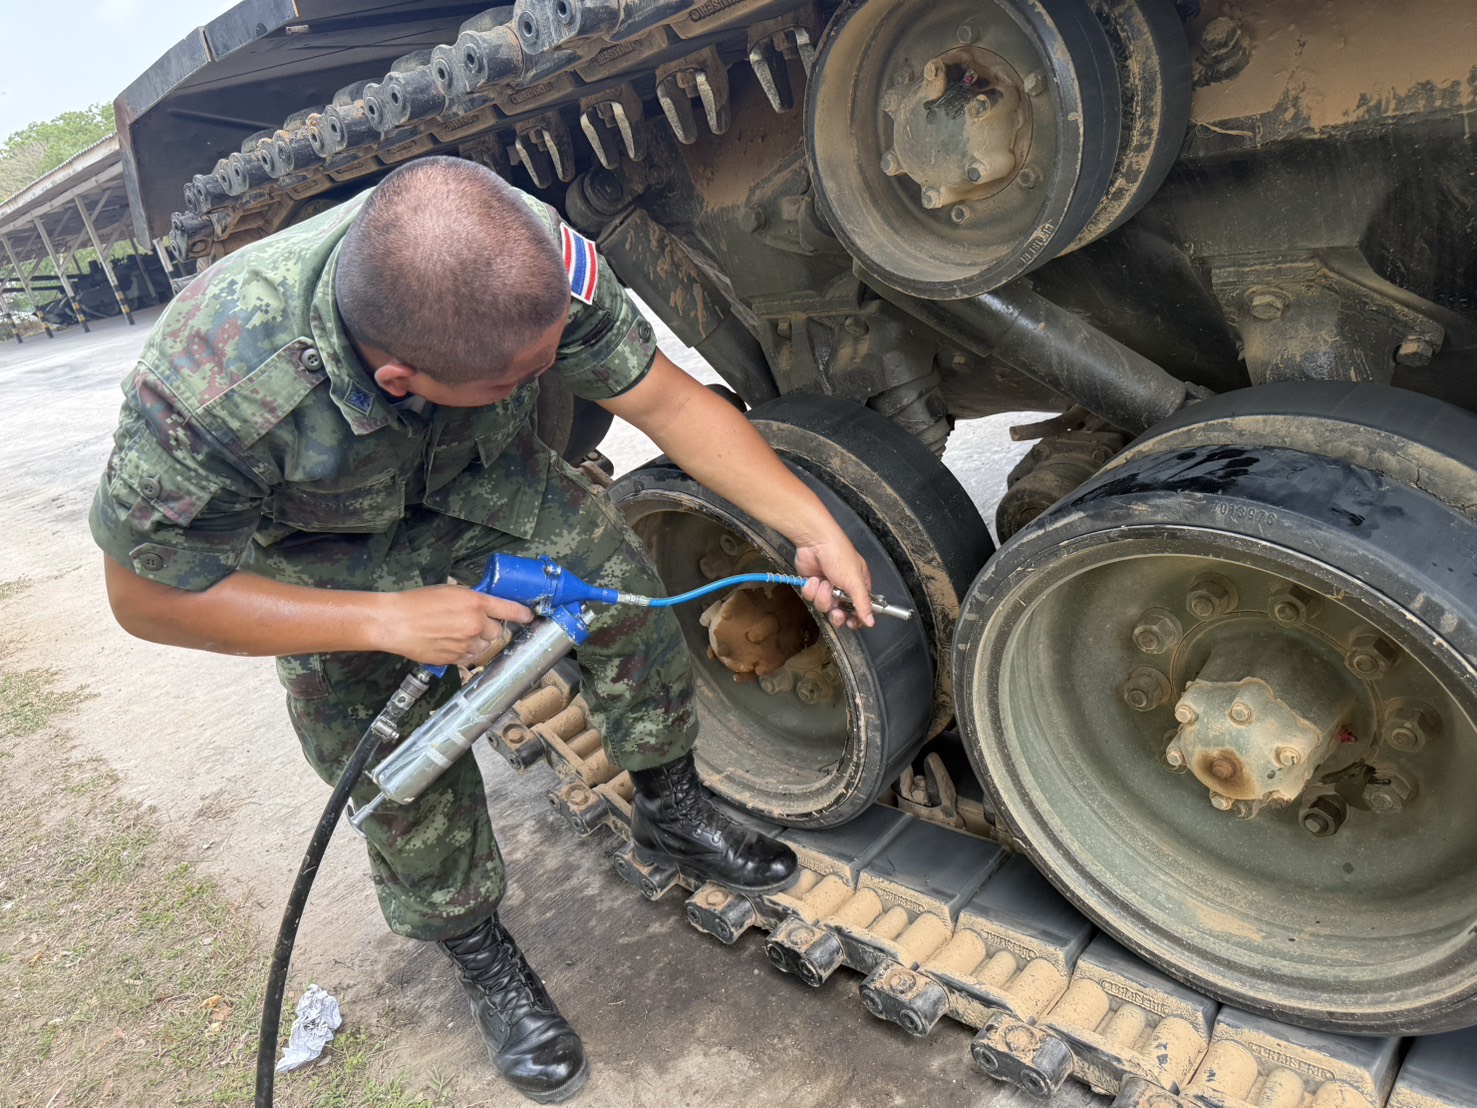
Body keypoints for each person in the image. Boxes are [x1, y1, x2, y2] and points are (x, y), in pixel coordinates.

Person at [90, 155, 875, 1103]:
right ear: (400, 377)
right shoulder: (212, 390)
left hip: (483, 480)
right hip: (318, 552)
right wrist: (384, 621)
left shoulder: (530, 261)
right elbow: (147, 598)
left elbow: (666, 401)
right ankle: (479, 950)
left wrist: (812, 526)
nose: (551, 379)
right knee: (399, 769)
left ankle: (671, 810)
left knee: (621, 596)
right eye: (523, 377)